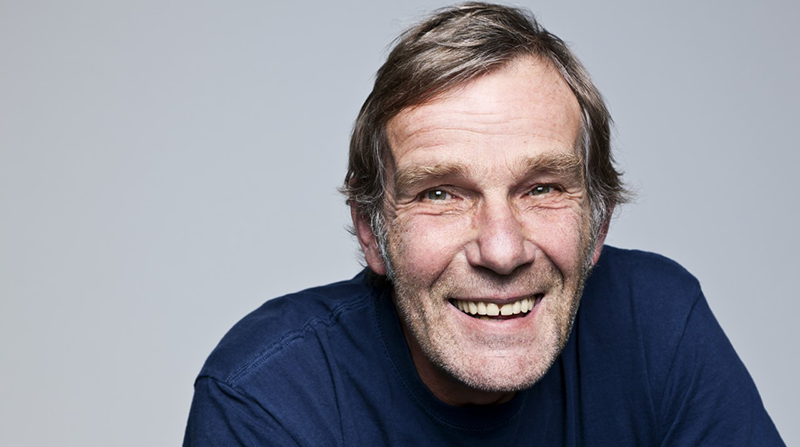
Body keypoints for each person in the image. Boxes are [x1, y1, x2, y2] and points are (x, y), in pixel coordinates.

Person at [184, 3, 784, 445]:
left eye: (542, 188)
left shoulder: (656, 323)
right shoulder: (269, 398)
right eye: (441, 193)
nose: (501, 250)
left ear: (597, 223)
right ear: (372, 232)